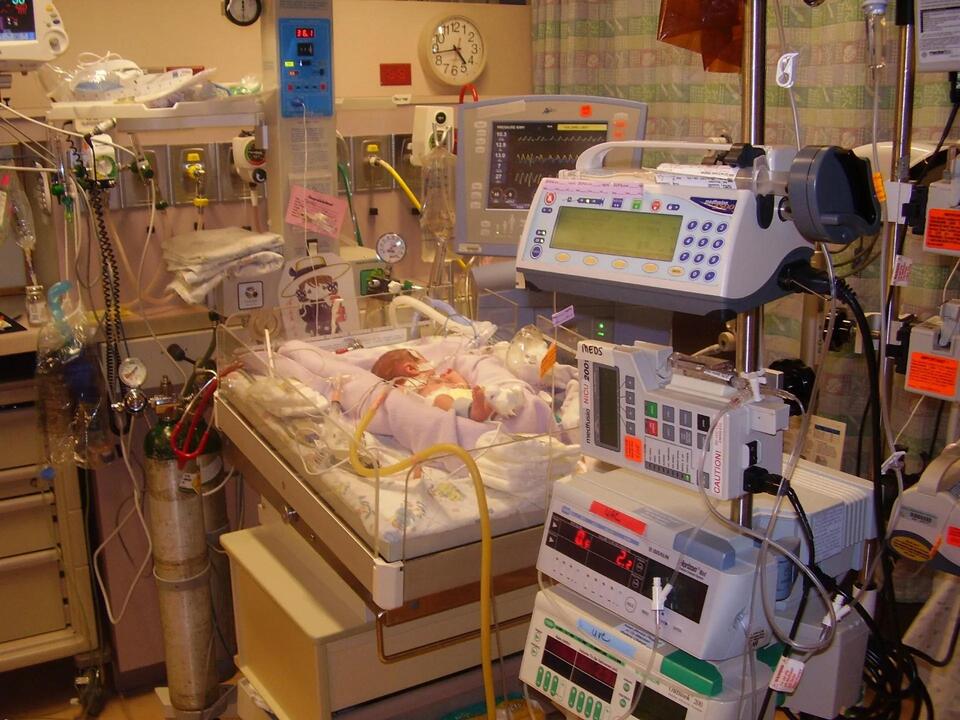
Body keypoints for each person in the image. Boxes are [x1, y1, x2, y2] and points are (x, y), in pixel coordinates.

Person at [371, 348, 495, 422]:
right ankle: (474, 412)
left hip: (465, 398)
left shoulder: (438, 378)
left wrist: (455, 378)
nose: (430, 362)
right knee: (442, 400)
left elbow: (461, 387)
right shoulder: (410, 386)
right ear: (411, 368)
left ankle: (483, 407)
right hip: (440, 402)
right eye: (424, 360)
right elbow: (403, 400)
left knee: (478, 393)